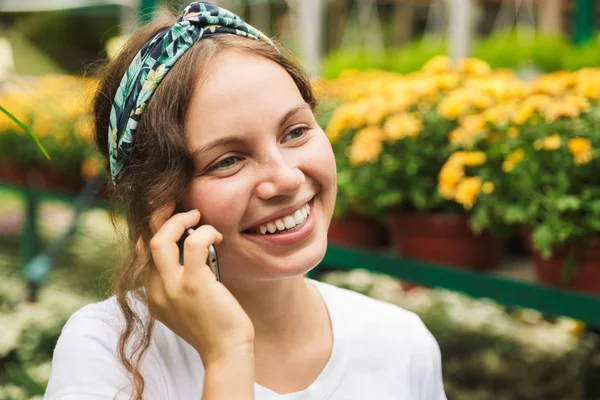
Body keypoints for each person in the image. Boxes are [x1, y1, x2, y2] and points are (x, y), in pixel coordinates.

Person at [44, 2, 446, 399]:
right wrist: (227, 355)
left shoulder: (402, 343)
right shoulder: (107, 354)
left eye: (295, 131)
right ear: (158, 201)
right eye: (229, 160)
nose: (286, 178)